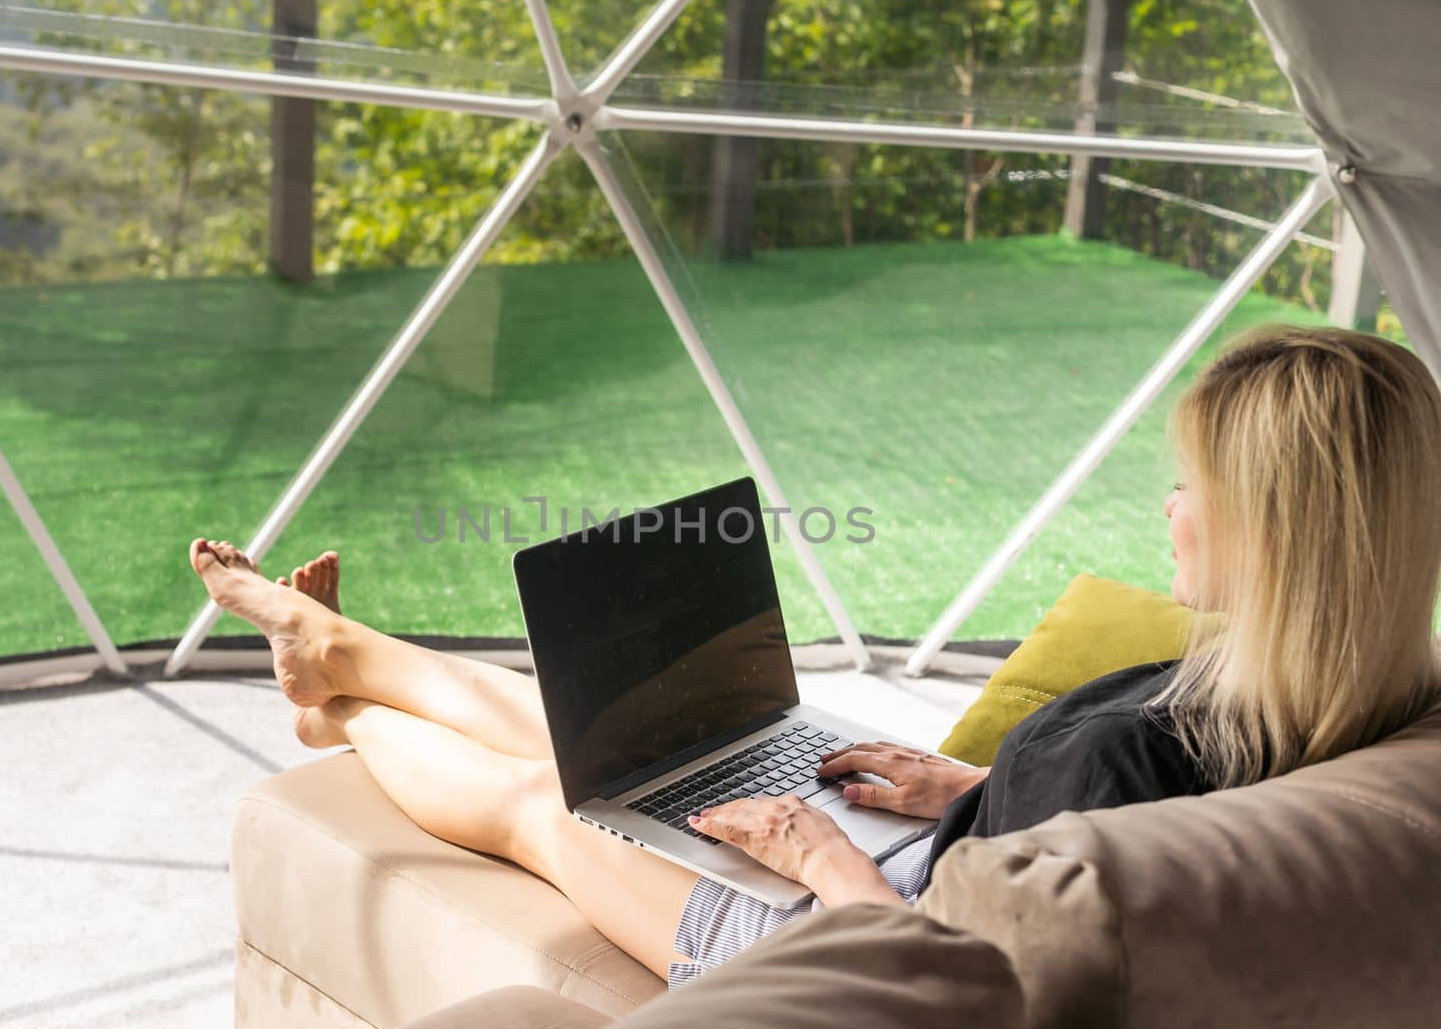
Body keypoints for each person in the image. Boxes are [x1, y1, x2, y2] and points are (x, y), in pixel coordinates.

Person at [189, 325, 1441, 989]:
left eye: (1187, 484)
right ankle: (338, 645)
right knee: (602, 729)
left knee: (549, 800)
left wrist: (812, 848)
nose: (1166, 506)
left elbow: (962, 988)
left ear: (1274, 530)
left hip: (854, 918)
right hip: (929, 852)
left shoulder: (1132, 744)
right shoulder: (1360, 683)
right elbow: (1106, 847)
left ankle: (336, 715)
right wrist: (966, 790)